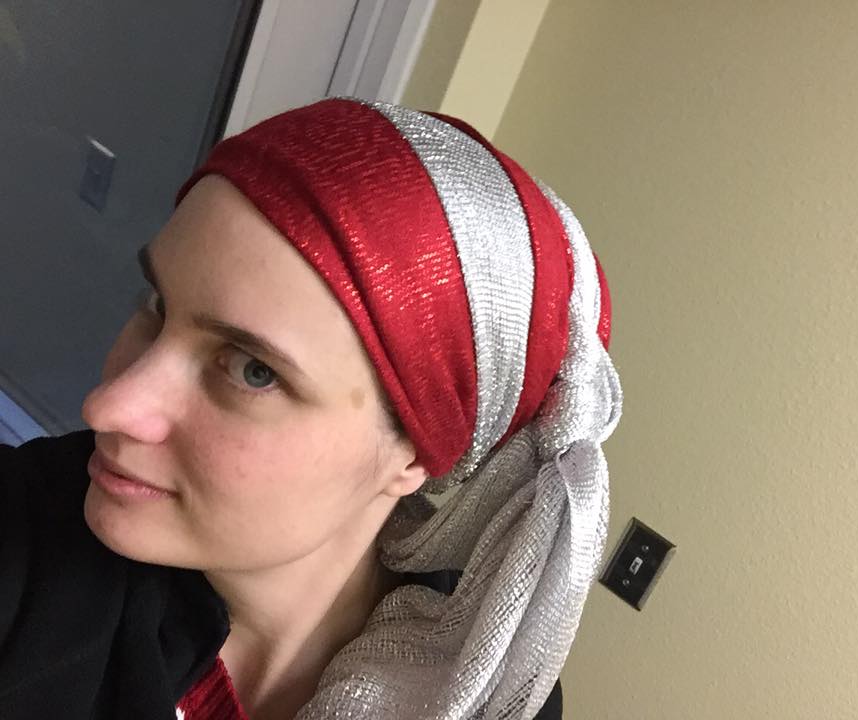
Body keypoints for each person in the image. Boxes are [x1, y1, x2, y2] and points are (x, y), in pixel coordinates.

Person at [0, 98, 622, 720]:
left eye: (254, 370)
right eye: (157, 306)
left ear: (413, 456)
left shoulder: (479, 689)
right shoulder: (28, 544)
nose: (109, 405)